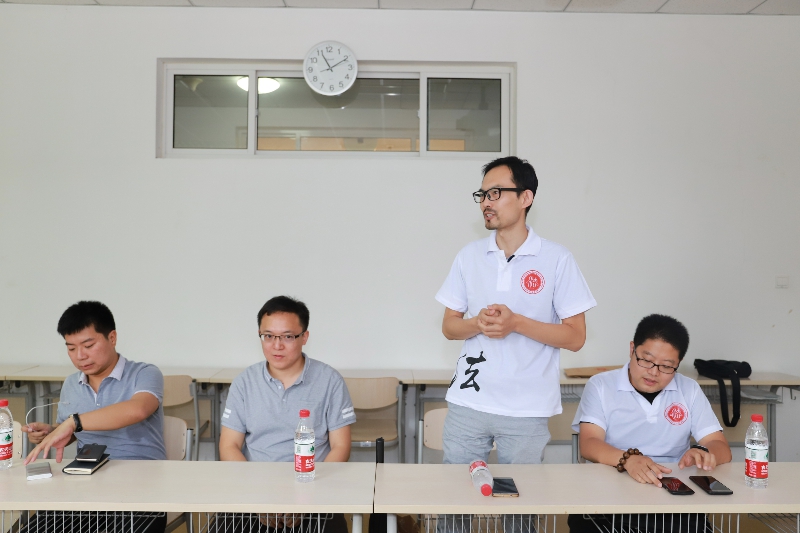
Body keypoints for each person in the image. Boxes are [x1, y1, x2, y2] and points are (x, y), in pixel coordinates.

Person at [435, 156, 596, 466]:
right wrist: (478, 323)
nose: (486, 202)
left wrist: (517, 323)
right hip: (469, 401)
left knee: (521, 495)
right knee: (456, 492)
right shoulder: (469, 256)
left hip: (527, 407)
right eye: (482, 194)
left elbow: (576, 337)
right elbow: (449, 327)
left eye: (496, 193)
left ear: (525, 198)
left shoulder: (557, 259)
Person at [568, 314, 732, 533]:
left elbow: (720, 447)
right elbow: (589, 444)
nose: (654, 372)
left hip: (673, 493)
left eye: (666, 366)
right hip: (612, 489)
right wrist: (627, 460)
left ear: (678, 364)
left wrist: (705, 452)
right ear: (632, 349)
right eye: (646, 360)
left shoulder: (689, 389)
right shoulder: (601, 385)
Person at [23, 300, 167, 533]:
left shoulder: (144, 373)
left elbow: (139, 409)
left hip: (141, 487)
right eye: (71, 348)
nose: (80, 356)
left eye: (88, 345)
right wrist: (53, 432)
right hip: (85, 484)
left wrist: (74, 422)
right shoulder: (72, 383)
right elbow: (71, 432)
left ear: (112, 338)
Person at [216, 295, 355, 533]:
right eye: (268, 336)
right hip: (255, 489)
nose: (276, 345)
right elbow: (229, 446)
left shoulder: (329, 380)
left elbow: (340, 446)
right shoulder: (244, 382)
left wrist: (308, 498)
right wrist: (256, 499)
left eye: (287, 337)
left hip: (313, 489)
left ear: (304, 337)